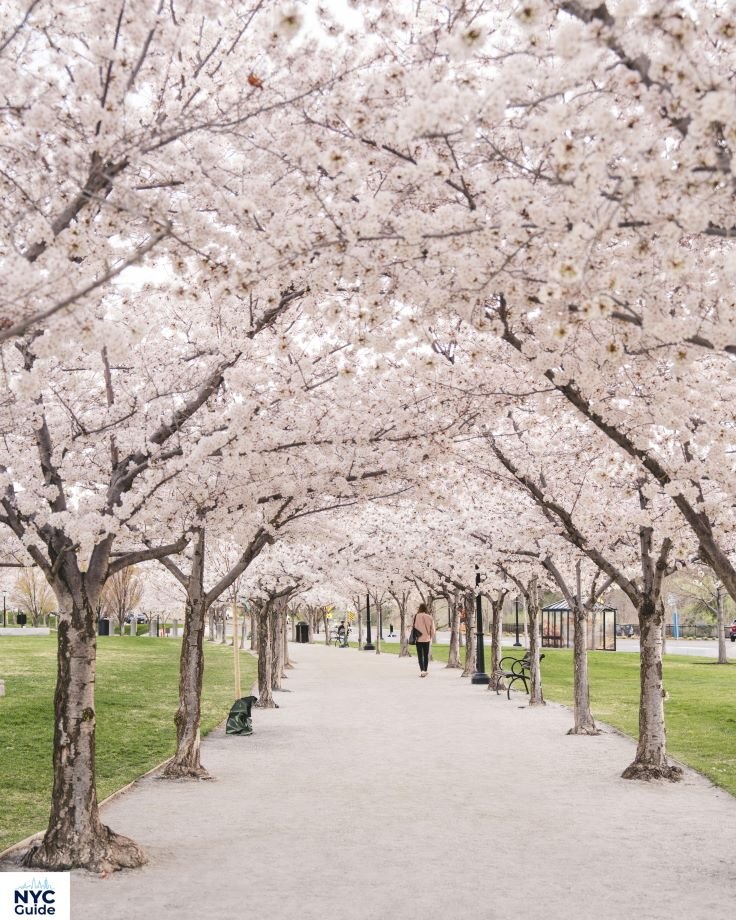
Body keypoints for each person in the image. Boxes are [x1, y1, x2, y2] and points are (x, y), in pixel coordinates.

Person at [410, 602, 436, 677]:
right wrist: (430, 636)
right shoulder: (429, 617)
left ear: (420, 608)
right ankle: (425, 670)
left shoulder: (416, 616)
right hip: (427, 639)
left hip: (418, 639)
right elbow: (433, 630)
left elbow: (413, 626)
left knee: (420, 655)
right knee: (426, 655)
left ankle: (422, 671)